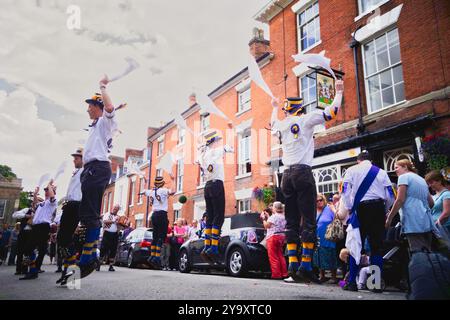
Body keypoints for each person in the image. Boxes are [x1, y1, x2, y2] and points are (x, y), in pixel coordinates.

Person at [271, 79, 344, 283]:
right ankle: (305, 265)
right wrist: (338, 92)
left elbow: (272, 123)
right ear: (300, 108)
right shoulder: (305, 119)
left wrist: (274, 108)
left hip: (286, 175)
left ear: (287, 111)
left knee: (292, 222)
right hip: (303, 173)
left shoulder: (282, 124)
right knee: (309, 222)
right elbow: (331, 112)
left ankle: (292, 264)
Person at [76, 76, 120, 279]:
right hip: (90, 169)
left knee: (91, 213)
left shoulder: (105, 122)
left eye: (90, 106)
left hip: (98, 167)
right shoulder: (95, 126)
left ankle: (89, 258)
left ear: (98, 106)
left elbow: (110, 107)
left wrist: (102, 87)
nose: (87, 109)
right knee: (86, 212)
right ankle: (89, 255)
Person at [340, 150, 395, 291]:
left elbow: (345, 191)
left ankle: (352, 282)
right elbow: (390, 194)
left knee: (355, 246)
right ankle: (375, 284)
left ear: (358, 160)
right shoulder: (381, 172)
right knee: (377, 248)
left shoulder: (351, 170)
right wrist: (385, 209)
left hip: (361, 209)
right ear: (371, 161)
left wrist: (350, 207)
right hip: (377, 208)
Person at [197, 130, 234, 263]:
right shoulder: (215, 151)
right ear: (214, 142)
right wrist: (230, 132)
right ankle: (213, 247)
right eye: (217, 140)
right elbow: (229, 147)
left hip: (207, 186)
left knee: (210, 216)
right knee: (218, 216)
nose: (219, 142)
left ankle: (207, 246)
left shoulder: (202, 155)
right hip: (217, 184)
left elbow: (199, 160)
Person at [385, 160, 435, 254]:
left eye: (396, 167)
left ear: (405, 167)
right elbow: (431, 203)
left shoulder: (403, 177)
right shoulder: (421, 179)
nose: (395, 170)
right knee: (428, 252)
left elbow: (400, 200)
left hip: (413, 221)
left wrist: (389, 218)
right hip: (427, 221)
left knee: (418, 254)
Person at [55, 148, 84, 285]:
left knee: (65, 239)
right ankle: (67, 271)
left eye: (77, 158)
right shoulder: (76, 172)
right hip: (69, 205)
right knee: (63, 239)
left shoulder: (84, 171)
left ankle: (73, 271)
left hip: (76, 205)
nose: (74, 160)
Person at [20, 181, 57, 280]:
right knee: (29, 249)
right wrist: (36, 194)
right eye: (45, 190)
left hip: (43, 227)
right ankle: (33, 270)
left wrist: (50, 186)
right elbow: (34, 204)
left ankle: (33, 271)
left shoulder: (52, 202)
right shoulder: (42, 203)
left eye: (47, 190)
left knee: (36, 249)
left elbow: (52, 196)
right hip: (36, 227)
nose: (46, 192)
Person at [144, 176, 175, 269]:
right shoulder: (163, 190)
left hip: (154, 215)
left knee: (155, 236)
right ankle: (157, 257)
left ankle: (152, 255)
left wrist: (146, 181)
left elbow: (144, 190)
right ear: (162, 183)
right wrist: (173, 180)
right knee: (161, 236)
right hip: (162, 215)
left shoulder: (151, 191)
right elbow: (173, 191)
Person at [314, 193, 338, 284]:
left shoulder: (329, 208)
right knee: (319, 254)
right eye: (316, 201)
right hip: (318, 236)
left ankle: (334, 276)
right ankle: (322, 275)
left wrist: (334, 209)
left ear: (324, 200)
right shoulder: (314, 211)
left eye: (320, 200)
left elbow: (336, 218)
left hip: (329, 235)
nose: (319, 202)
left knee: (330, 253)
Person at [261, 202, 287, 280]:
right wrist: (268, 217)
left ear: (275, 208)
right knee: (280, 256)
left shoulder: (274, 216)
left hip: (272, 237)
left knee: (273, 256)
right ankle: (284, 273)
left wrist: (263, 218)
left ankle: (276, 274)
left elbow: (267, 226)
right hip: (281, 237)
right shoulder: (284, 216)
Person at [99, 204, 121, 272]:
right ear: (112, 208)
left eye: (117, 209)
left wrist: (120, 224)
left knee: (113, 250)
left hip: (115, 234)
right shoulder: (107, 214)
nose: (115, 210)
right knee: (103, 249)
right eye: (115, 208)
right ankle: (98, 265)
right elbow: (105, 221)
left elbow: (120, 227)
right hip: (107, 233)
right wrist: (114, 221)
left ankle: (111, 266)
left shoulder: (118, 216)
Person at [12, 208, 33, 275]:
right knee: (19, 252)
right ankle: (18, 269)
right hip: (23, 232)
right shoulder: (27, 210)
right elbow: (14, 215)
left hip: (31, 233)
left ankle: (25, 269)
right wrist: (26, 216)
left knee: (27, 253)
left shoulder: (39, 211)